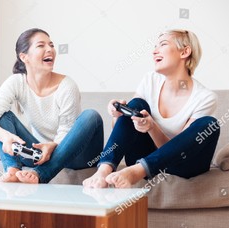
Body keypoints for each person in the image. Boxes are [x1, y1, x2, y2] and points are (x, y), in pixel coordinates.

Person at [83, 29, 220, 188]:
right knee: (135, 105)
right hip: (141, 156)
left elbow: (180, 152)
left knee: (210, 124)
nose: (155, 51)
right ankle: (103, 170)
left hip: (182, 164)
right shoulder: (150, 80)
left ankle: (136, 171)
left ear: (185, 52)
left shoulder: (205, 97)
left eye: (163, 44)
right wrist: (118, 115)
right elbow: (124, 134)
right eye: (155, 46)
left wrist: (152, 127)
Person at [0, 28, 103, 184]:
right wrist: (5, 137)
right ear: (24, 57)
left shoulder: (67, 86)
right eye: (41, 46)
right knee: (2, 116)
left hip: (75, 154)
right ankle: (12, 170)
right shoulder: (16, 82)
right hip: (40, 154)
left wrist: (53, 146)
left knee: (91, 116)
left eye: (51, 45)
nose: (49, 49)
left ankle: (41, 175)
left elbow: (66, 130)